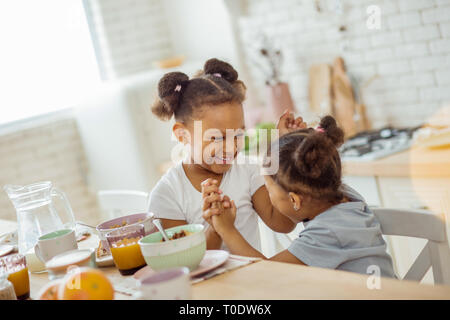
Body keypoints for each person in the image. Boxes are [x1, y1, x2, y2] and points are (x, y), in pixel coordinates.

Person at [203, 115, 396, 277]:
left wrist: (227, 229)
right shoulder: (342, 194)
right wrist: (291, 145)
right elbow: (311, 169)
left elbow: (267, 274)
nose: (269, 197)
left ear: (295, 200)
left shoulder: (328, 233)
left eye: (270, 191)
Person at [148, 58, 305, 250]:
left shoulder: (248, 170)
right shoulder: (168, 194)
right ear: (182, 135)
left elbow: (284, 224)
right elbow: (183, 264)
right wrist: (217, 228)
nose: (231, 149)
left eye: (238, 134)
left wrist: (285, 151)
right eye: (217, 138)